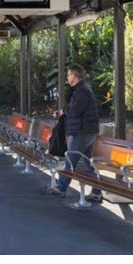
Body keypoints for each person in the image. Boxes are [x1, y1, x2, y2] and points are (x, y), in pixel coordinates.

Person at [48, 63, 103, 202]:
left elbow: (76, 111)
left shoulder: (82, 91)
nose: (67, 77)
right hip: (85, 130)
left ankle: (61, 188)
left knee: (70, 160)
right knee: (88, 163)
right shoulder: (80, 90)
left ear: (75, 76)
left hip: (82, 131)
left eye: (68, 75)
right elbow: (74, 109)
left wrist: (64, 111)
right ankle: (97, 192)